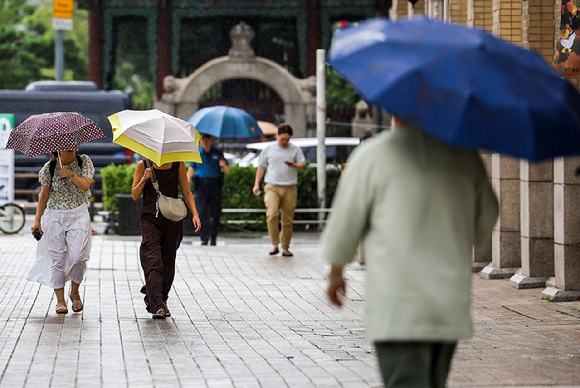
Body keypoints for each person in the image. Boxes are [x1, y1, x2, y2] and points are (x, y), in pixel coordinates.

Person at [322, 116, 499, 388]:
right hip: (447, 302)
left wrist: (336, 274)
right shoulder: (465, 156)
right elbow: (485, 221)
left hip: (397, 305)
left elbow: (346, 222)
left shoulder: (372, 155)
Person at [132, 159, 201, 319]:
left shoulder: (178, 165)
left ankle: (159, 298)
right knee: (153, 259)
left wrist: (195, 214)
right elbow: (135, 195)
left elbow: (186, 191)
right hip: (150, 219)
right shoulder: (143, 165)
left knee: (168, 262)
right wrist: (144, 178)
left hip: (172, 220)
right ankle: (157, 305)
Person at [28, 151, 95, 314]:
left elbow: (86, 185)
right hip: (54, 216)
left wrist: (71, 174)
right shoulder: (49, 168)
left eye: (72, 144)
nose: (70, 147)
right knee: (57, 259)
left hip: (78, 213)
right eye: (65, 145)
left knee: (78, 257)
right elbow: (44, 195)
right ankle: (60, 301)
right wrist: (37, 220)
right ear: (57, 148)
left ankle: (74, 291)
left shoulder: (84, 161)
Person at [252, 123, 305, 257]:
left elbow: (302, 165)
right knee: (272, 213)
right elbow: (261, 167)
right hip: (272, 186)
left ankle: (285, 247)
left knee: (287, 219)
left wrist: (293, 165)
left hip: (290, 187)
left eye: (287, 139)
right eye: (283, 139)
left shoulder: (295, 149)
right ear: (277, 136)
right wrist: (256, 184)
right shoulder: (269, 148)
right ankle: (274, 244)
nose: (285, 142)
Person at [187, 134, 230, 246]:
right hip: (201, 185)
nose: (204, 142)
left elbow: (227, 169)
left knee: (215, 213)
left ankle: (213, 237)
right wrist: (186, 184)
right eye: (202, 140)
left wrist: (223, 164)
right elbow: (191, 169)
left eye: (207, 140)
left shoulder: (217, 153)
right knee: (202, 212)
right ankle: (204, 237)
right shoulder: (197, 153)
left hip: (215, 185)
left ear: (211, 140)